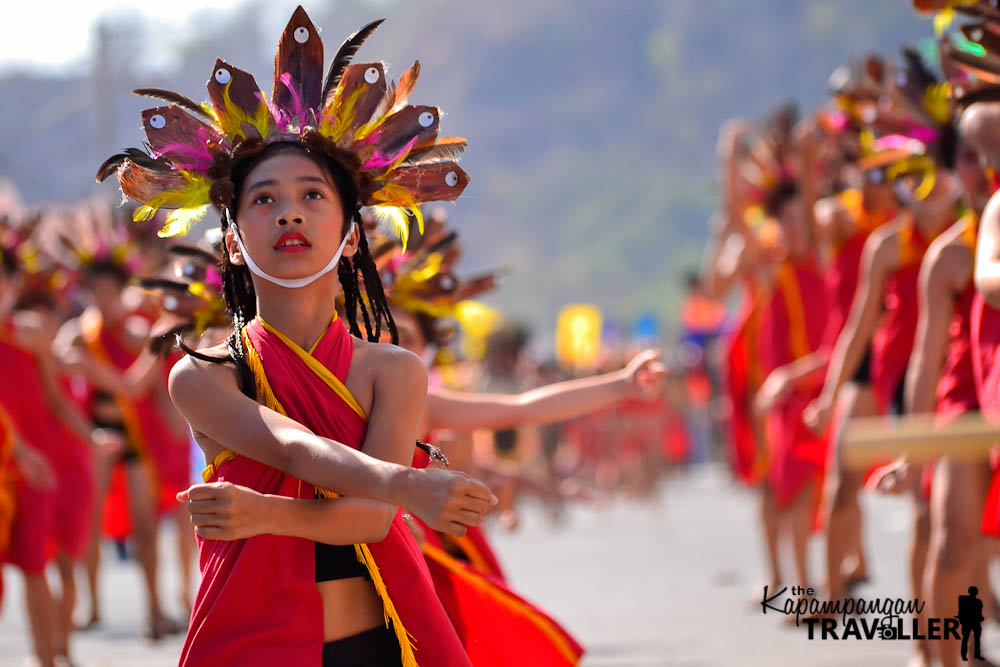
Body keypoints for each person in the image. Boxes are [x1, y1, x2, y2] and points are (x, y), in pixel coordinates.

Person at [99, 7, 492, 664]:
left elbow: (367, 520)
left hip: (375, 644)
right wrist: (403, 486)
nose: (289, 211)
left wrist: (265, 514)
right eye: (264, 199)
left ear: (351, 235)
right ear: (232, 239)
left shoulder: (392, 371)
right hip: (252, 643)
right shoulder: (202, 373)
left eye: (313, 195)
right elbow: (291, 444)